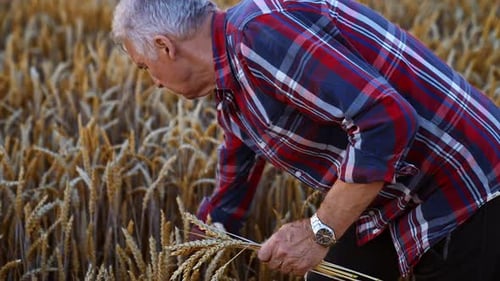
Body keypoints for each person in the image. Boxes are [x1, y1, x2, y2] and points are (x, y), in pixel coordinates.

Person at [111, 0, 500, 280]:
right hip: (397, 196)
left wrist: (319, 231)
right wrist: (207, 235)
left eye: (146, 68)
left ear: (165, 46)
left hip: (466, 181)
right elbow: (238, 164)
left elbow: (386, 120)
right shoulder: (231, 81)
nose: (155, 83)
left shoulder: (259, 36)